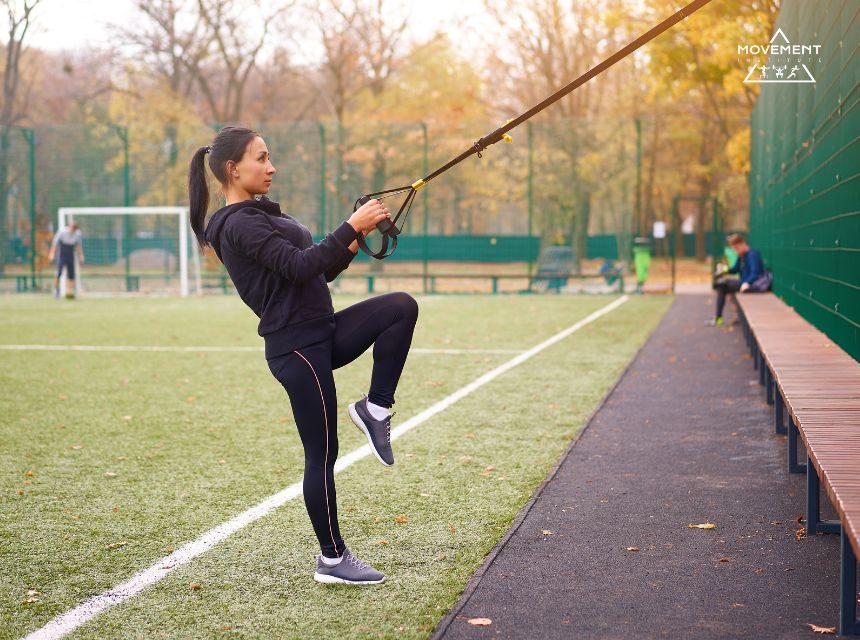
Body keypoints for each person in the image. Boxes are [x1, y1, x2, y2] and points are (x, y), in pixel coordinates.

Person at [188, 126, 419, 586]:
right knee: (323, 454)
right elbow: (299, 266)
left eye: (270, 157)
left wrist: (355, 236)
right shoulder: (238, 223)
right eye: (261, 158)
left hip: (321, 331)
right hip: (296, 348)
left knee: (399, 307)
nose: (271, 167)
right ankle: (332, 559)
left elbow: (319, 269)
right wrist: (348, 227)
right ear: (233, 169)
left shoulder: (262, 214)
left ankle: (374, 409)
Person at [707, 233, 771, 326]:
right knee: (721, 285)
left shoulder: (753, 254)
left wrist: (747, 283)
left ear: (743, 243)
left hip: (754, 285)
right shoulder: (742, 255)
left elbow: (755, 273)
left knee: (723, 284)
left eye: (737, 248)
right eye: (734, 249)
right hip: (744, 283)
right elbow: (735, 269)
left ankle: (718, 318)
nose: (736, 251)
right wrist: (724, 270)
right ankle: (718, 318)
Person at [48, 221, 84, 299]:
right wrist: (52, 254)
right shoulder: (62, 232)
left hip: (71, 254)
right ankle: (56, 290)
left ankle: (69, 292)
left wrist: (81, 255)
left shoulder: (77, 234)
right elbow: (55, 244)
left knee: (71, 274)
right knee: (59, 272)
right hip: (62, 254)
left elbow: (78, 245)